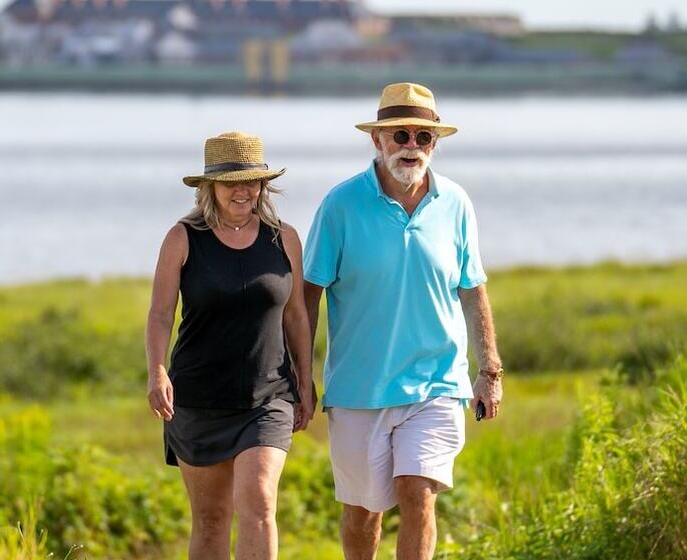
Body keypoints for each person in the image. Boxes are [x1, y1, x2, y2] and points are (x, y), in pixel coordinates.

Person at [303, 83, 504, 559]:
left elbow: (473, 289)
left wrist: (489, 369)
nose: (412, 147)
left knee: (419, 493)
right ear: (378, 140)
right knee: (363, 512)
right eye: (400, 136)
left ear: (435, 144)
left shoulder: (456, 203)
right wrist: (300, 375)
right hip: (359, 387)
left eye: (423, 137)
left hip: (436, 383)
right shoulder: (340, 205)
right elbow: (306, 296)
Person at [145, 131, 314, 560]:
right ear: (209, 188)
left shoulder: (284, 239)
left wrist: (306, 382)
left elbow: (296, 314)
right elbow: (161, 314)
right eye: (230, 181)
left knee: (258, 502)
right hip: (198, 400)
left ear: (263, 184)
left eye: (251, 180)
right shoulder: (182, 238)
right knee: (212, 519)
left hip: (268, 397)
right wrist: (156, 371)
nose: (242, 190)